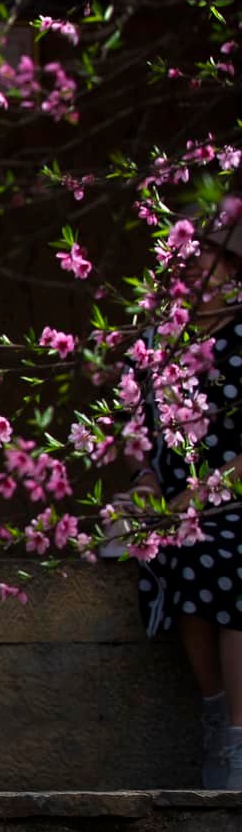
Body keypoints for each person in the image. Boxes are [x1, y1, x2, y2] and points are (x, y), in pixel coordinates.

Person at [132, 220, 242, 788]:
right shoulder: (155, 346)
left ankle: (236, 743)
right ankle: (217, 717)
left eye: (216, 262)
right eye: (192, 263)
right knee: (180, 556)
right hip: (178, 511)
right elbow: (140, 439)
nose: (200, 271)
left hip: (232, 501)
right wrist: (149, 485)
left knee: (223, 561)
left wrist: (193, 499)